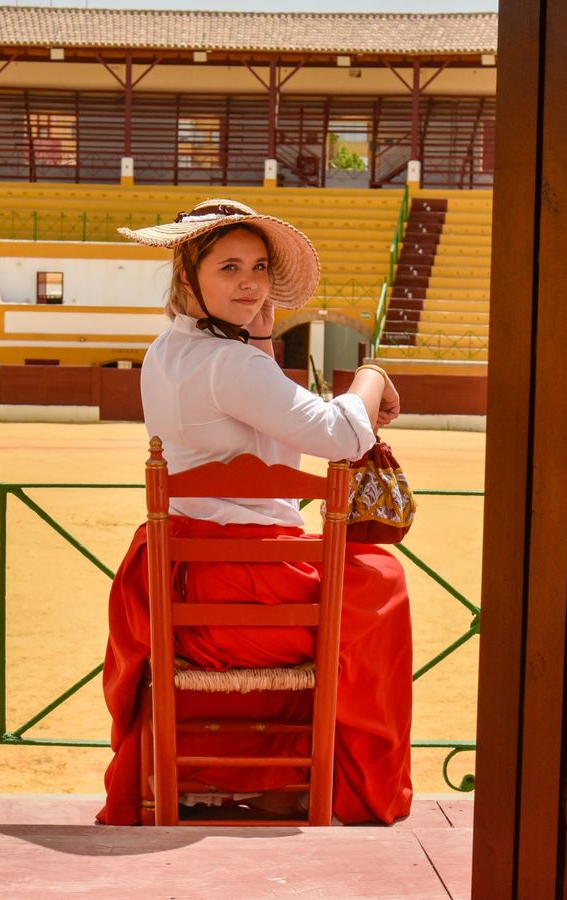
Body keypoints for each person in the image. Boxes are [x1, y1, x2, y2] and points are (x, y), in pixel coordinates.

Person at [96, 198, 414, 826]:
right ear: (189, 277)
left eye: (260, 268)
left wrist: (261, 337)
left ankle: (258, 777)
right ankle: (347, 781)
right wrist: (371, 377)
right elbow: (344, 438)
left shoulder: (167, 350)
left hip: (185, 586)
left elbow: (256, 404)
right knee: (382, 582)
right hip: (248, 597)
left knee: (371, 579)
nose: (250, 282)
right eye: (229, 268)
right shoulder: (230, 363)